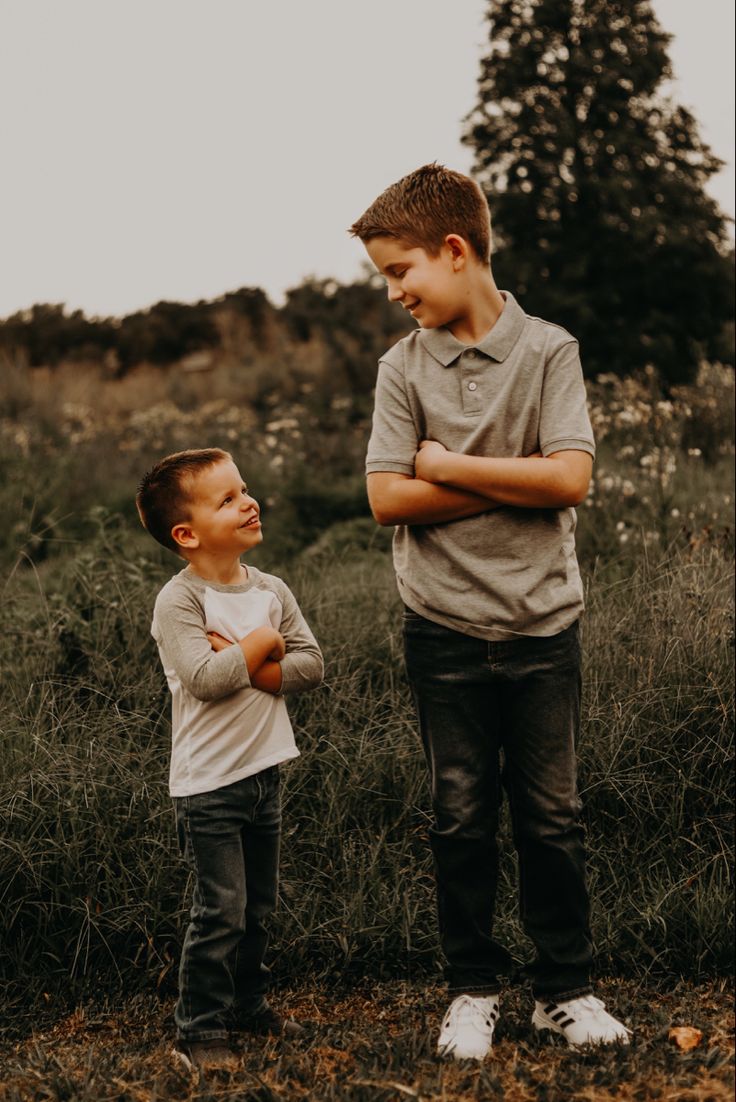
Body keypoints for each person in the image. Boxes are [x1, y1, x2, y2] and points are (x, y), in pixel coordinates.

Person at [349, 164, 630, 1060]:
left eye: (401, 272)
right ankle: (472, 990)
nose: (394, 292)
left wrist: (445, 465)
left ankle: (565, 990)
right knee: (458, 816)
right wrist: (516, 480)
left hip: (545, 628)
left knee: (552, 816)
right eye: (386, 277)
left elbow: (572, 479)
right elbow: (387, 501)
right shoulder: (402, 368)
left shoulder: (550, 350)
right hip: (443, 632)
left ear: (456, 250)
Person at [136, 448, 323, 1071]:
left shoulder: (270, 588)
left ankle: (248, 1005)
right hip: (209, 785)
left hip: (263, 773)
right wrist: (264, 642)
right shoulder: (180, 602)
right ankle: (199, 1030)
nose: (249, 502)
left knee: (258, 908)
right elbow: (205, 677)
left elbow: (311, 666)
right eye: (227, 499)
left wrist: (251, 658)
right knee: (221, 911)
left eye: (244, 489)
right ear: (186, 535)